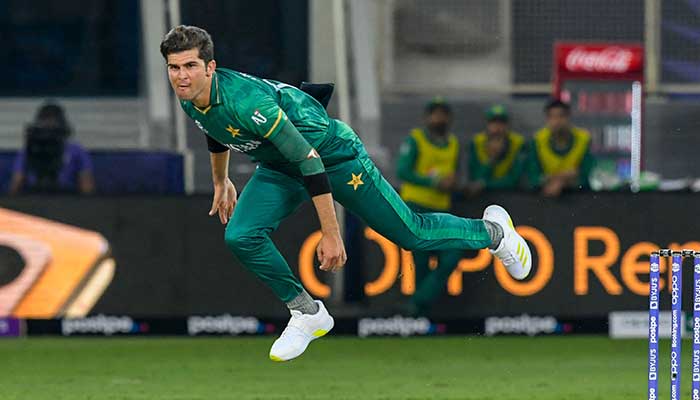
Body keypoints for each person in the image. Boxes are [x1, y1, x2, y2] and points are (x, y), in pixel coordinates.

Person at [160, 25, 532, 362]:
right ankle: (306, 312)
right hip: (281, 164)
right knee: (241, 235)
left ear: (210, 67)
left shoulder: (246, 102)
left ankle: (495, 233)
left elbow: (309, 160)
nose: (181, 76)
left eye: (190, 66)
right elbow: (214, 126)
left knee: (411, 234)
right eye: (174, 68)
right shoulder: (189, 93)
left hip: (334, 157)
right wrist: (220, 180)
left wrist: (331, 233)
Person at [396, 97, 464, 316]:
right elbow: (403, 171)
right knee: (422, 262)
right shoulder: (415, 140)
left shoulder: (453, 143)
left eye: (443, 114)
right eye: (435, 114)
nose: (439, 118)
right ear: (427, 117)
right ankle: (421, 313)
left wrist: (452, 183)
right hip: (415, 208)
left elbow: (454, 173)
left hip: (441, 210)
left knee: (452, 255)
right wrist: (434, 182)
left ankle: (417, 302)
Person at [9, 102, 95, 195]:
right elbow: (17, 182)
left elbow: (86, 184)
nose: (49, 125)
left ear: (62, 124)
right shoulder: (28, 150)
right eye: (45, 120)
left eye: (53, 121)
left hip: (66, 197)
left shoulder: (76, 150)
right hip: (34, 196)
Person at [527, 99, 595, 198]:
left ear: (568, 117)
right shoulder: (537, 141)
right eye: (552, 117)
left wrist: (561, 183)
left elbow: (585, 175)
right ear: (547, 119)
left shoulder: (584, 139)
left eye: (561, 116)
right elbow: (533, 177)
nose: (556, 121)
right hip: (545, 198)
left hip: (580, 198)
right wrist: (564, 177)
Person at [466, 105, 526, 196]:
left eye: (501, 123)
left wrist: (486, 184)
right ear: (487, 125)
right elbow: (475, 178)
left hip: (511, 196)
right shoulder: (477, 142)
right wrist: (491, 160)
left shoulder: (518, 143)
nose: (498, 128)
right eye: (494, 123)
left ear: (507, 125)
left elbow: (515, 179)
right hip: (482, 198)